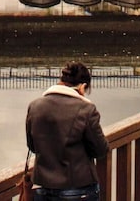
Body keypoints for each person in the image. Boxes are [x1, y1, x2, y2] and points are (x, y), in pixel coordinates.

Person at [25, 61, 109, 201]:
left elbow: (32, 146)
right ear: (82, 87)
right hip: (78, 189)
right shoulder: (86, 110)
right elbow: (100, 150)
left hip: (44, 188)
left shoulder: (35, 106)